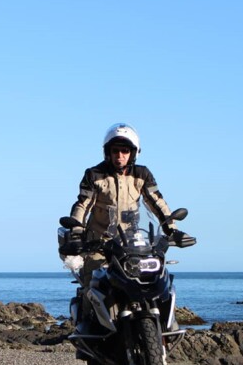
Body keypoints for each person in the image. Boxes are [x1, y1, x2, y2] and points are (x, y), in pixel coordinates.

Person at [62, 123, 190, 333]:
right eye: (115, 151)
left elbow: (157, 202)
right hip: (99, 242)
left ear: (133, 153)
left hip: (131, 242)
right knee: (92, 282)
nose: (120, 155)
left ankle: (165, 329)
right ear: (108, 152)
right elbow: (82, 205)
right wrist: (76, 232)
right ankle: (87, 330)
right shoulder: (94, 174)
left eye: (125, 151)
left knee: (155, 279)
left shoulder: (142, 174)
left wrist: (171, 230)